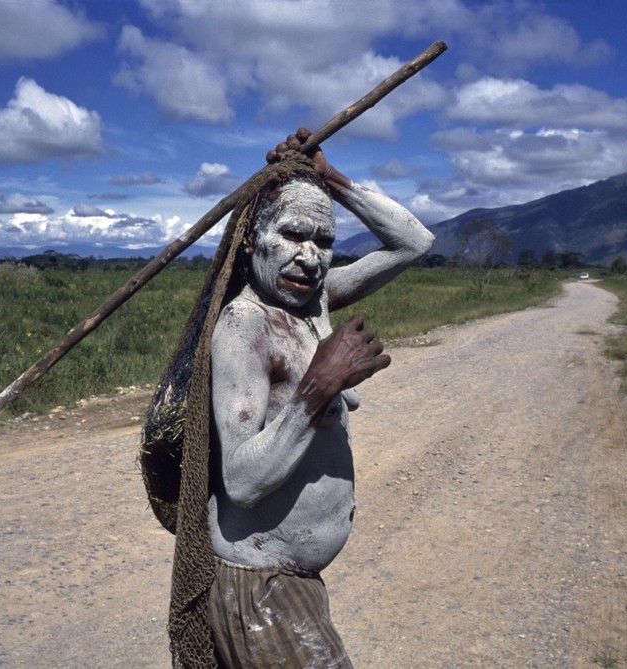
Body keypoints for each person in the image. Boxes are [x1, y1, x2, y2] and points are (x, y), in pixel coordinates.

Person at [205, 128, 434, 667]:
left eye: (324, 242)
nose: (309, 257)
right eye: (291, 234)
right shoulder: (246, 325)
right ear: (252, 241)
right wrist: (319, 386)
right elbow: (240, 480)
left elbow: (414, 242)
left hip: (291, 583)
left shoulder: (314, 304)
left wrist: (328, 179)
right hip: (260, 586)